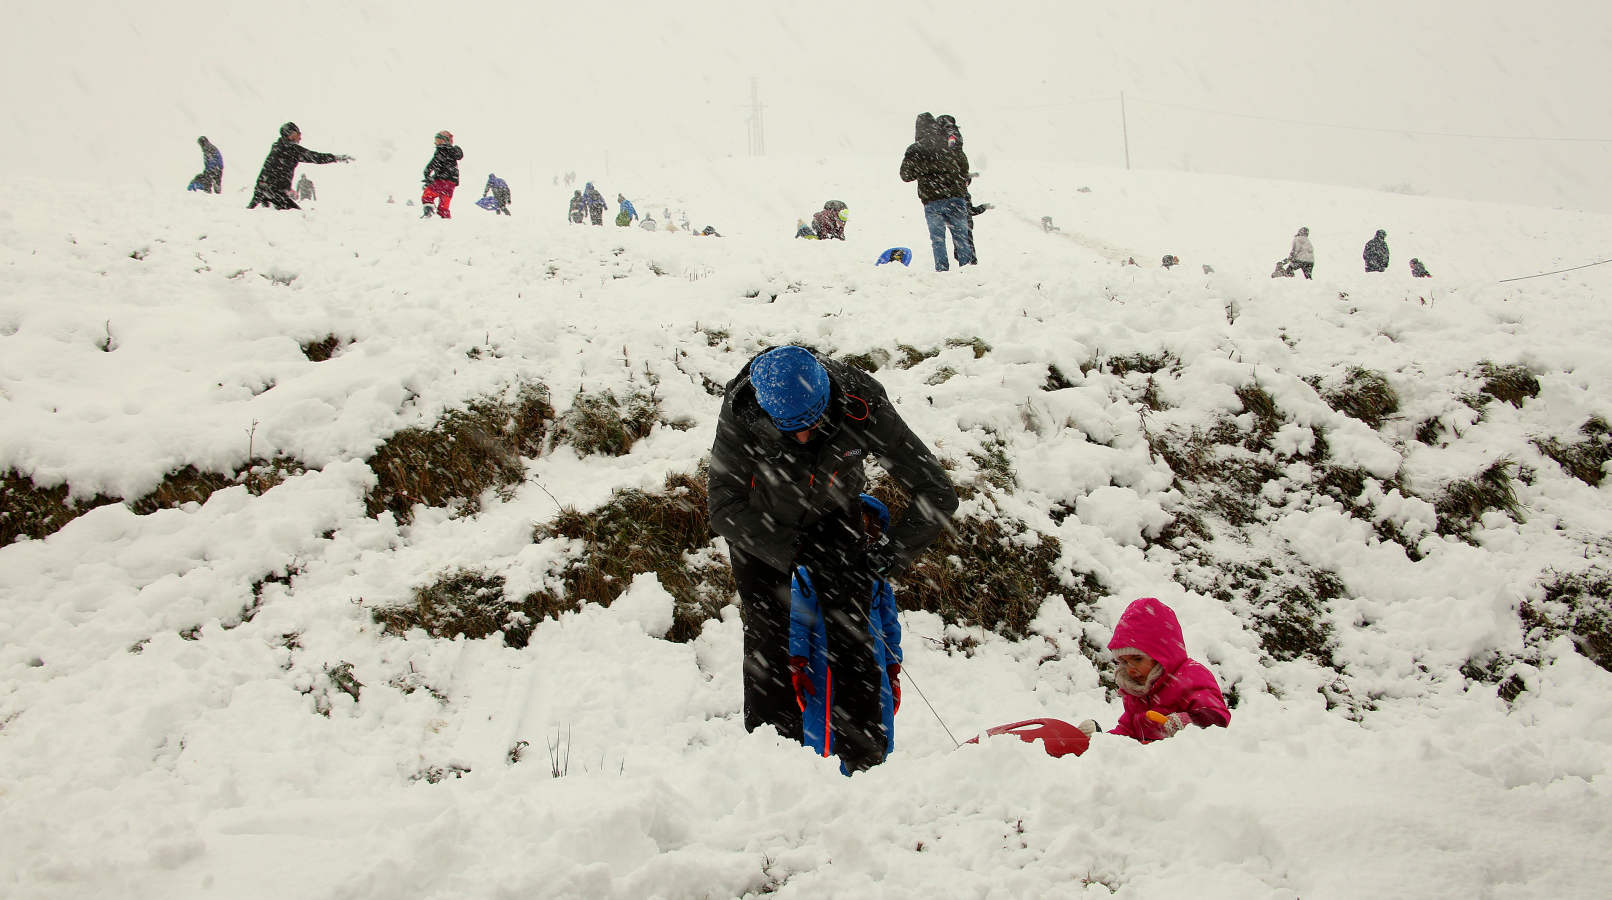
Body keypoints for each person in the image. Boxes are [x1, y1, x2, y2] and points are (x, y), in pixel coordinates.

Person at [708, 345, 958, 774]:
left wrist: (887, 556)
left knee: (854, 641)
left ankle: (866, 766)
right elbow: (724, 507)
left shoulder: (863, 402)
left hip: (835, 519)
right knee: (770, 642)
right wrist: (793, 550)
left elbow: (936, 491)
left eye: (813, 424)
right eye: (790, 429)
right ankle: (776, 767)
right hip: (762, 527)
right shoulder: (743, 409)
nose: (804, 437)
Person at [790, 493, 903, 770]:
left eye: (867, 527)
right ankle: (825, 770)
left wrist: (893, 666)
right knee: (826, 716)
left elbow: (889, 626)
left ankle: (873, 767)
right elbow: (798, 618)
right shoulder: (811, 571)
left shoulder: (877, 578)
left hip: (873, 662)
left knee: (876, 714)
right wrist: (797, 661)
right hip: (824, 662)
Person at [1104, 597, 1231, 743]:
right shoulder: (1137, 692)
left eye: (1138, 659)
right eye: (1125, 662)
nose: (1130, 669)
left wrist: (1188, 722)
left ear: (1159, 655)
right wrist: (1102, 742)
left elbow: (1218, 718)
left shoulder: (1191, 677)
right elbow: (1128, 730)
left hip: (1188, 759)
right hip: (1150, 761)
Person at [900, 112, 976, 271]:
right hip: (956, 196)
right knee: (961, 238)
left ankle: (942, 271)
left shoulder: (915, 149)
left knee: (938, 240)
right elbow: (964, 166)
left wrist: (923, 169)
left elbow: (905, 176)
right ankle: (967, 271)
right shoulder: (949, 142)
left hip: (932, 200)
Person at [248, 122, 351, 210]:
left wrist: (283, 188)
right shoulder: (291, 150)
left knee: (257, 217)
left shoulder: (278, 147)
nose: (300, 137)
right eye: (298, 134)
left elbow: (270, 172)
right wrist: (336, 158)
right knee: (296, 216)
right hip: (272, 192)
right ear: (291, 134)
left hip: (263, 189)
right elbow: (315, 157)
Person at [420, 130, 463, 219]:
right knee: (444, 204)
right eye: (436, 140)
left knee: (427, 196)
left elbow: (433, 164)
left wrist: (427, 174)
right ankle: (445, 219)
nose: (436, 143)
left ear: (445, 141)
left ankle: (428, 212)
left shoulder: (441, 151)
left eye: (439, 140)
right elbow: (447, 166)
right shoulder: (452, 152)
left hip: (441, 180)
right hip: (451, 183)